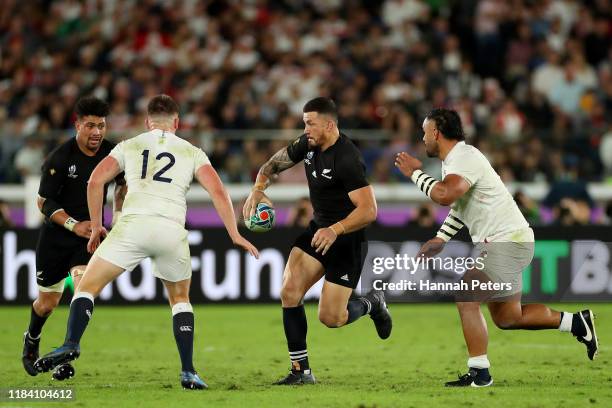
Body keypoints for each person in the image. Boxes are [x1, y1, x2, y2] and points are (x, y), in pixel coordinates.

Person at [35, 94, 259, 390]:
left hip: (133, 226)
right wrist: (234, 234)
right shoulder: (192, 151)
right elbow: (219, 192)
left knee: (86, 287)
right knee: (180, 300)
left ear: (146, 122)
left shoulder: (131, 144)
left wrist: (98, 228)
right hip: (171, 230)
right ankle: (189, 372)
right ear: (177, 123)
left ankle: (71, 343)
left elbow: (95, 182)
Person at [394, 108, 598, 387]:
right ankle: (576, 323)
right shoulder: (457, 160)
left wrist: (415, 173)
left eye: (425, 131)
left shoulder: (464, 157)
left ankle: (480, 373)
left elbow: (445, 195)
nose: (423, 137)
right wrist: (442, 238)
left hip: (506, 241)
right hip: (511, 240)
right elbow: (459, 206)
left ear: (437, 133)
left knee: (466, 295)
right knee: (508, 318)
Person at [243, 97, 391, 385]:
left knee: (332, 318)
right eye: (304, 123)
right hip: (317, 231)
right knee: (289, 291)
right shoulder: (308, 144)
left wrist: (335, 229)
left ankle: (373, 302)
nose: (305, 128)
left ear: (329, 124)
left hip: (347, 240)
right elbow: (271, 164)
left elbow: (369, 210)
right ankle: (301, 372)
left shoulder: (347, 158)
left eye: (310, 123)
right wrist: (257, 189)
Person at [22, 97, 127, 377]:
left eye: (101, 126)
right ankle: (32, 338)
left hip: (89, 238)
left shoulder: (112, 153)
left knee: (83, 290)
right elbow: (44, 202)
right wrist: (73, 224)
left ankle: (67, 350)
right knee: (47, 304)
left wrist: (116, 215)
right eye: (90, 125)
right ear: (77, 125)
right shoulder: (60, 157)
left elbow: (123, 184)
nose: (97, 132)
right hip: (57, 237)